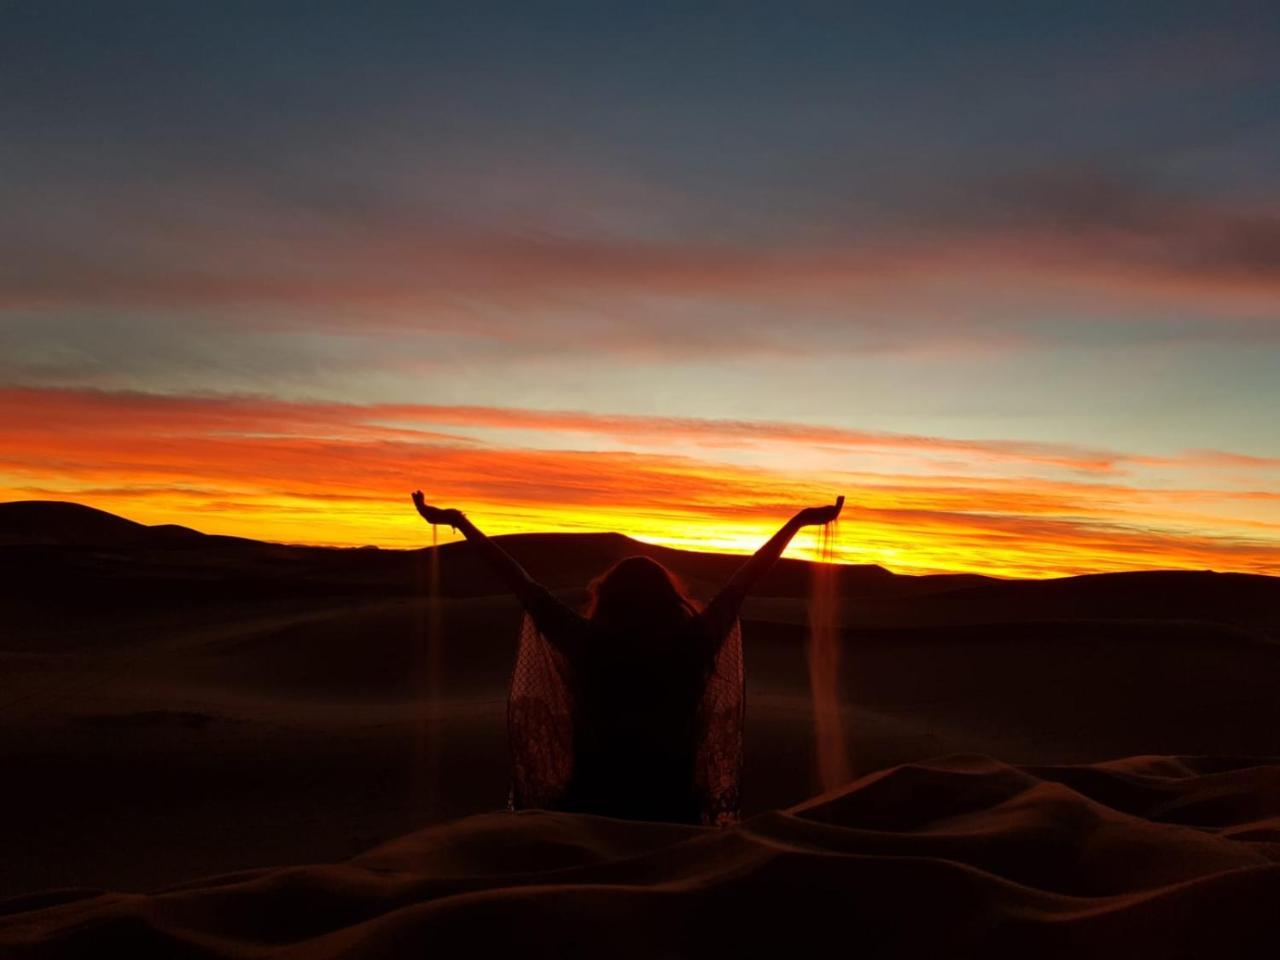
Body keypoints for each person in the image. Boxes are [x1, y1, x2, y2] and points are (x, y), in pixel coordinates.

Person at [411, 491, 844, 826]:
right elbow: (745, 579)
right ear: (668, 598)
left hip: (592, 802)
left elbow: (522, 584)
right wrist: (801, 521)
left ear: (606, 599)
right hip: (672, 805)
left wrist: (458, 522)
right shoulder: (692, 642)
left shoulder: (586, 641)